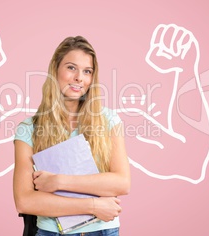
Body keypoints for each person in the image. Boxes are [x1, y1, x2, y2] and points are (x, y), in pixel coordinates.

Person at [13, 36, 131, 236]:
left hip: (102, 231)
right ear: (55, 70)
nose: (79, 78)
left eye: (87, 71)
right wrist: (93, 205)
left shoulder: (109, 120)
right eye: (71, 68)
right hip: (52, 232)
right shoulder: (29, 129)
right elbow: (24, 201)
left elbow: (121, 183)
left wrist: (59, 182)